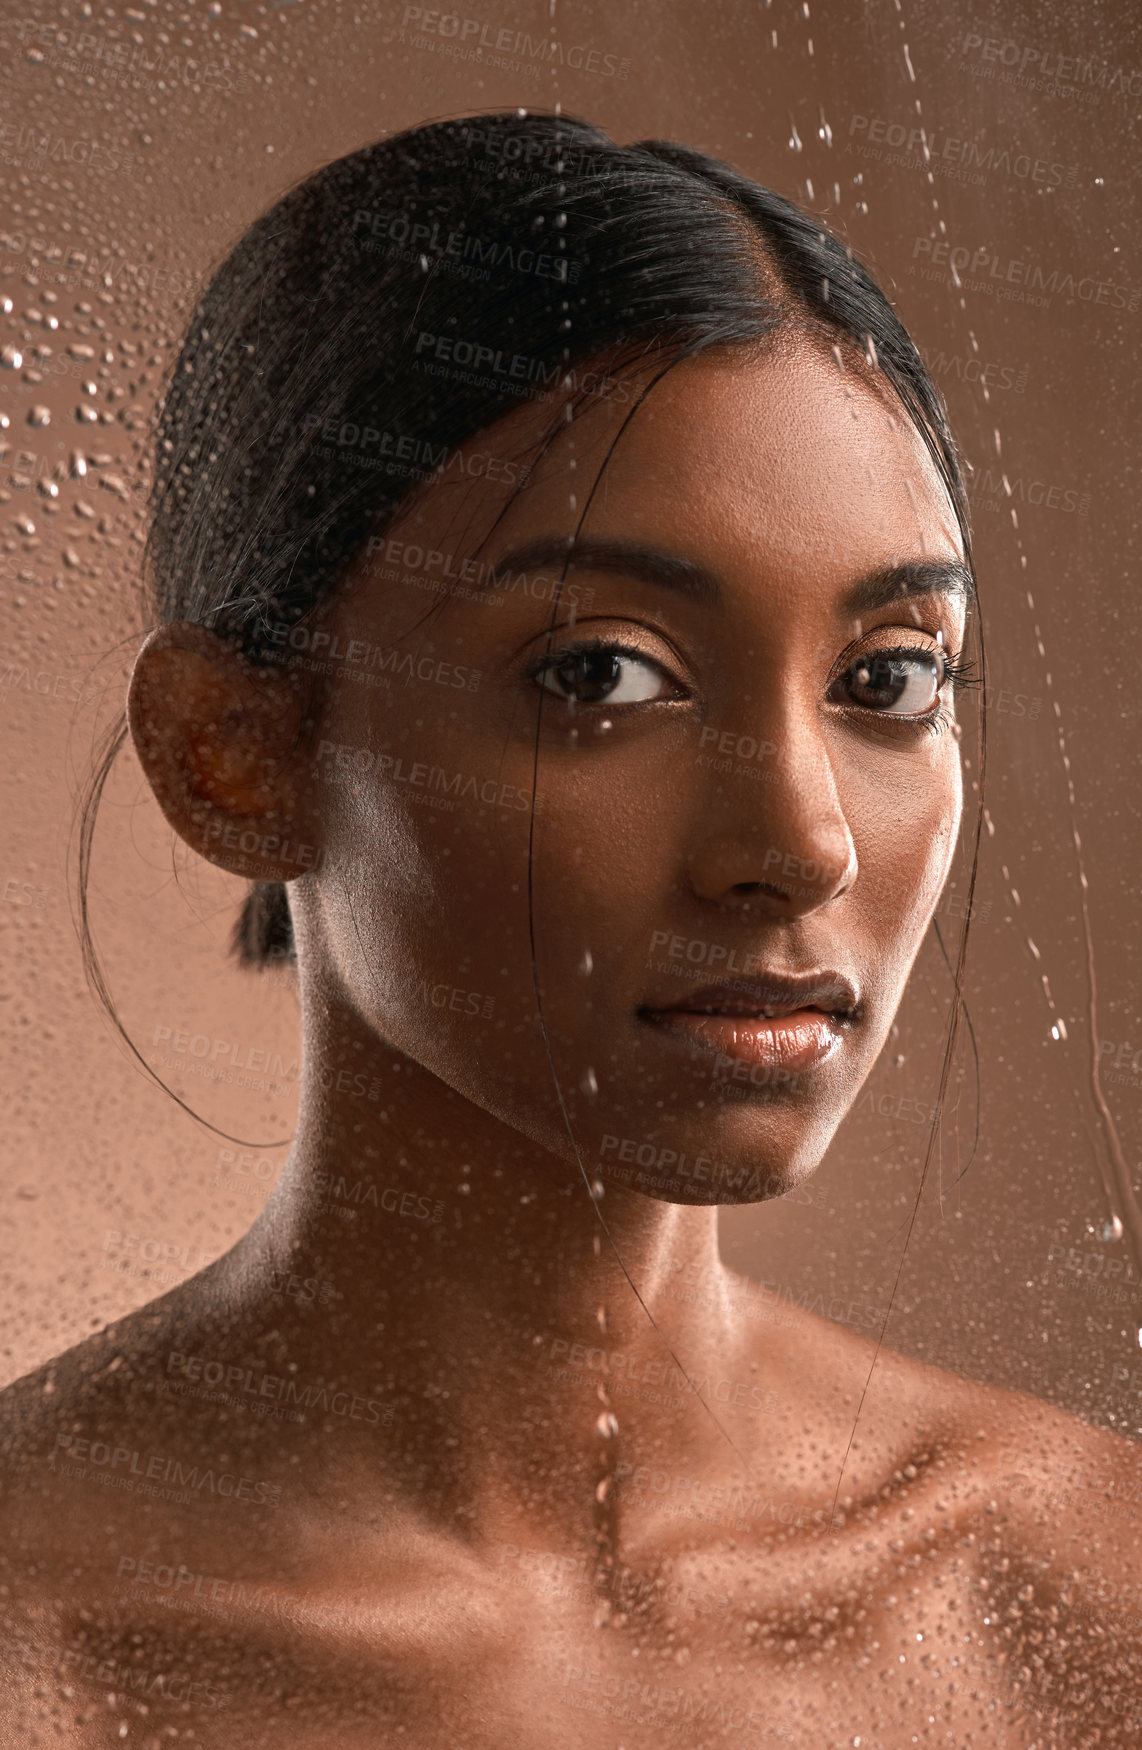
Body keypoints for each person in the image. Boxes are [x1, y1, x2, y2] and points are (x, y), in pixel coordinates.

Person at [2, 110, 1139, 1747]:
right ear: (232, 752)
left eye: (887, 679)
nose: (801, 842)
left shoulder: (1079, 1594)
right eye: (601, 673)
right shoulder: (48, 1653)